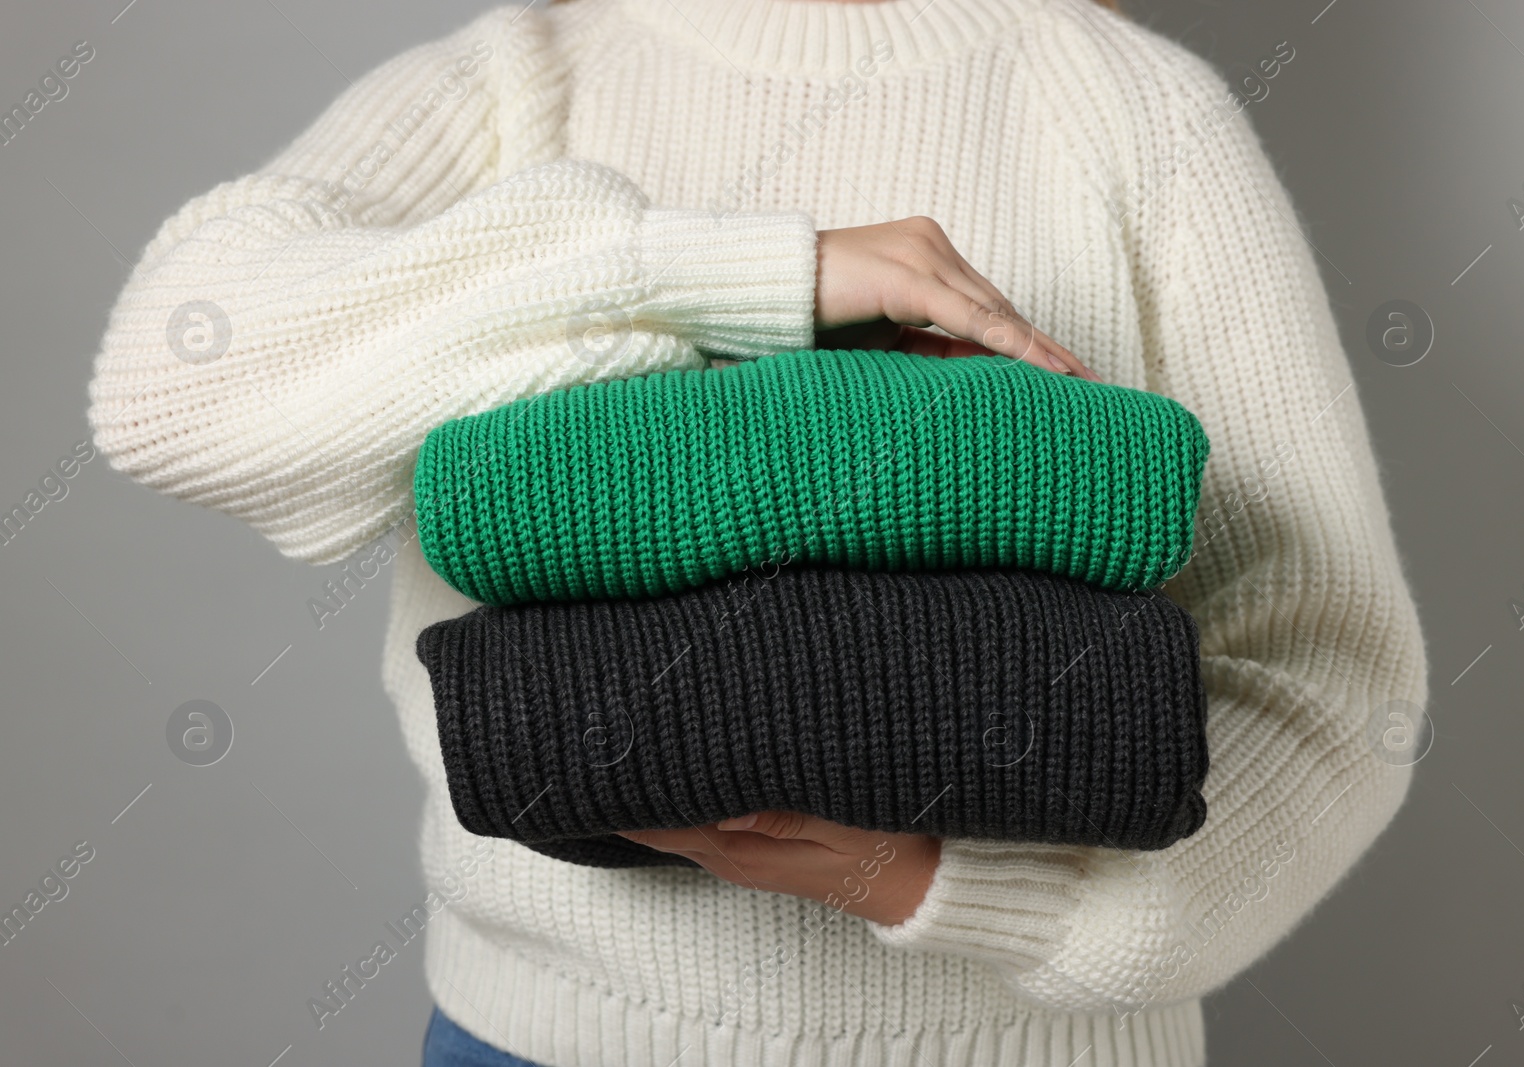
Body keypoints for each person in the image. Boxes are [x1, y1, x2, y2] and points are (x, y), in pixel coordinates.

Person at [86, 0, 1428, 1064]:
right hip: (546, 1045)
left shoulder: (1132, 110)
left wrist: (954, 894)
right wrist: (729, 275)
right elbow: (170, 376)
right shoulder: (517, 81)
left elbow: (1331, 673)